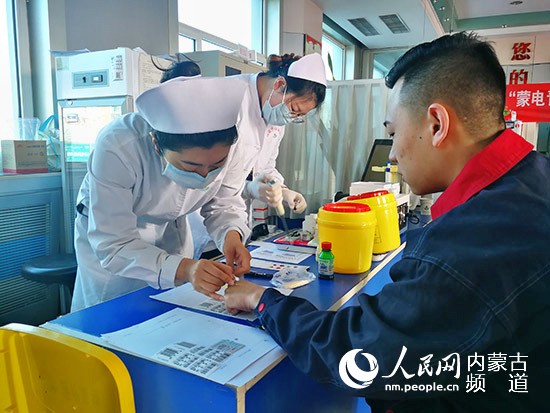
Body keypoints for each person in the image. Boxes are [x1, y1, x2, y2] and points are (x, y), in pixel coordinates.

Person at [224, 32, 549, 412]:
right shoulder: (532, 182)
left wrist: (263, 301)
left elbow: (360, 354)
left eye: (393, 133)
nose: (391, 153)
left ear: (437, 124)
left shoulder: (476, 239)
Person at [71, 76, 252, 311]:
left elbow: (224, 202)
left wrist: (231, 235)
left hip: (172, 229)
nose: (204, 175)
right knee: (115, 313)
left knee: (172, 311)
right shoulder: (118, 146)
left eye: (216, 165)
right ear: (156, 142)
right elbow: (113, 243)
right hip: (116, 240)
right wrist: (186, 268)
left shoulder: (232, 145)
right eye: (191, 166)